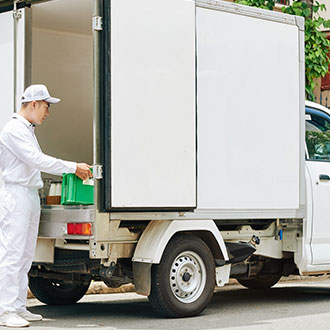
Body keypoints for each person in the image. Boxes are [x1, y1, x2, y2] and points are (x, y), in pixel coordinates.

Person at [0, 84, 92, 328]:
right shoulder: (14, 130)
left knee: (26, 254)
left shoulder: (27, 129)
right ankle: (5, 309)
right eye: (46, 107)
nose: (47, 113)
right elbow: (37, 160)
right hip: (16, 195)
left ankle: (19, 307)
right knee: (12, 253)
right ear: (33, 104)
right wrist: (73, 167)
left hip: (28, 195)